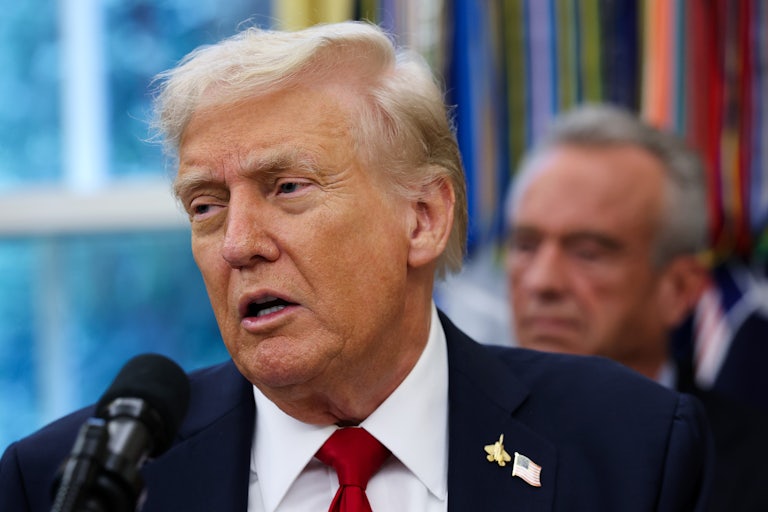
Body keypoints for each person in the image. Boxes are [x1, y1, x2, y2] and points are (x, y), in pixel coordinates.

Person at [1, 22, 712, 511]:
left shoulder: (634, 447)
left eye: (287, 188)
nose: (237, 243)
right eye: (206, 205)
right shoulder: (65, 483)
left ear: (423, 218)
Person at [504, 103, 768, 511]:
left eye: (588, 253)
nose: (542, 282)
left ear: (679, 289)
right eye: (525, 245)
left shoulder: (752, 472)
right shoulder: (448, 436)